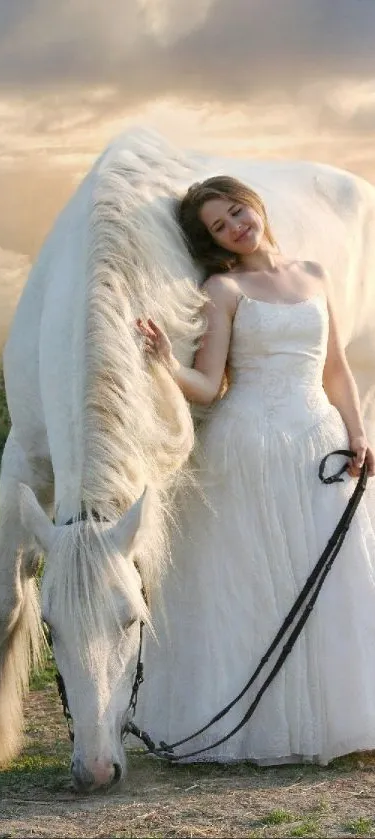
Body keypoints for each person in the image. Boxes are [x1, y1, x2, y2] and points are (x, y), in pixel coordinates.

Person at [135, 176, 375, 766]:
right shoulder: (223, 288)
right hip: (249, 448)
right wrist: (166, 363)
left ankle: (337, 720)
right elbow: (209, 388)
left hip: (319, 441)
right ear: (214, 241)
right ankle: (259, 726)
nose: (236, 226)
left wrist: (359, 432)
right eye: (219, 226)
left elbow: (336, 370)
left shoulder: (315, 274)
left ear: (256, 205)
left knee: (335, 580)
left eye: (237, 211)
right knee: (253, 582)